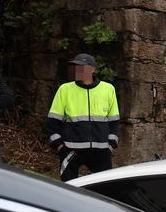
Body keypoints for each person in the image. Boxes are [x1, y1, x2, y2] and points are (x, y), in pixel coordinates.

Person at [47, 53, 120, 181]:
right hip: (70, 149)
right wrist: (59, 146)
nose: (78, 70)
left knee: (103, 190)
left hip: (101, 151)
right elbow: (52, 121)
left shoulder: (108, 89)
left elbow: (114, 121)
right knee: (69, 188)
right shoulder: (65, 89)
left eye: (82, 67)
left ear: (92, 69)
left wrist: (111, 145)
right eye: (76, 67)